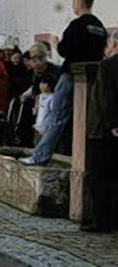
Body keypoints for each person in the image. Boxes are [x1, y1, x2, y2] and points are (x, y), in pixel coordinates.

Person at [20, 0, 106, 166]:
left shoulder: (77, 25)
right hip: (91, 79)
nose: (72, 6)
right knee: (84, 120)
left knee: (57, 117)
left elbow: (64, 50)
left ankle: (39, 157)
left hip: (71, 75)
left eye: (73, 2)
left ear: (79, 3)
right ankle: (85, 160)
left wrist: (54, 43)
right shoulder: (100, 27)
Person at [82, 30, 118, 233]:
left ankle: (102, 220)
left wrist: (113, 124)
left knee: (102, 177)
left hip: (103, 130)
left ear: (113, 45)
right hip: (110, 129)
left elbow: (106, 98)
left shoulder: (107, 65)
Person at [33, 74, 56, 143]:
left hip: (46, 128)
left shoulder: (52, 97)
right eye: (41, 83)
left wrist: (47, 128)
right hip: (37, 127)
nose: (41, 86)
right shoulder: (39, 97)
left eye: (44, 83)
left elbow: (52, 114)